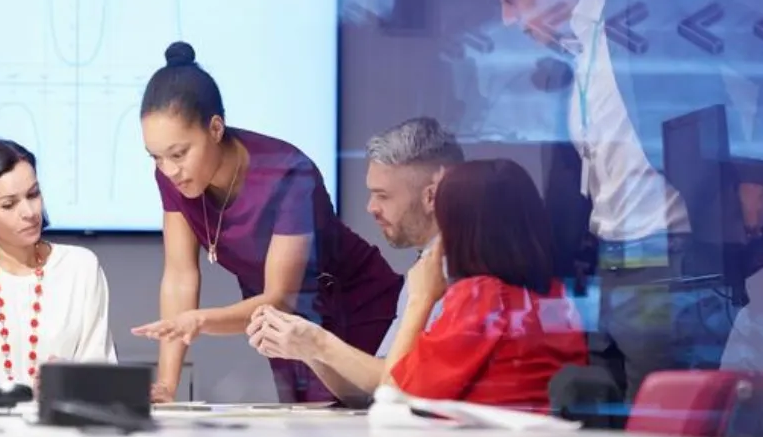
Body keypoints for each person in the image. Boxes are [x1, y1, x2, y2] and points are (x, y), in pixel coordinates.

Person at [464, 0, 763, 403]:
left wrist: (757, 176)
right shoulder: (568, 59)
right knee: (600, 429)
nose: (507, 20)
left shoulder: (658, 11)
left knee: (658, 433)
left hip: (675, 265)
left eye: (510, 0)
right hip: (606, 273)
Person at [131, 41, 404, 403]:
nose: (169, 170)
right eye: (156, 157)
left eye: (179, 154)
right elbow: (180, 275)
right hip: (279, 324)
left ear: (215, 128)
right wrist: (167, 384)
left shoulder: (287, 172)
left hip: (353, 307)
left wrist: (199, 320)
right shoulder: (171, 176)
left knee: (365, 425)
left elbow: (280, 297)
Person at [247, 117, 464, 405]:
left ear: (430, 197)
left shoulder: (460, 273)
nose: (371, 207)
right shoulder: (424, 270)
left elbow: (396, 387)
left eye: (383, 196)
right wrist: (306, 349)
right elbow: (373, 390)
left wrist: (318, 343)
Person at [383, 159, 588, 409]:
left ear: (459, 232)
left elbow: (393, 396)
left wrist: (420, 300)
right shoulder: (556, 295)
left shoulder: (482, 298)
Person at [0, 138, 117, 398]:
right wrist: (22, 392)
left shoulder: (80, 268)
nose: (29, 211)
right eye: (9, 204)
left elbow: (100, 368)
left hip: (63, 430)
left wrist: (69, 380)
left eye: (33, 194)